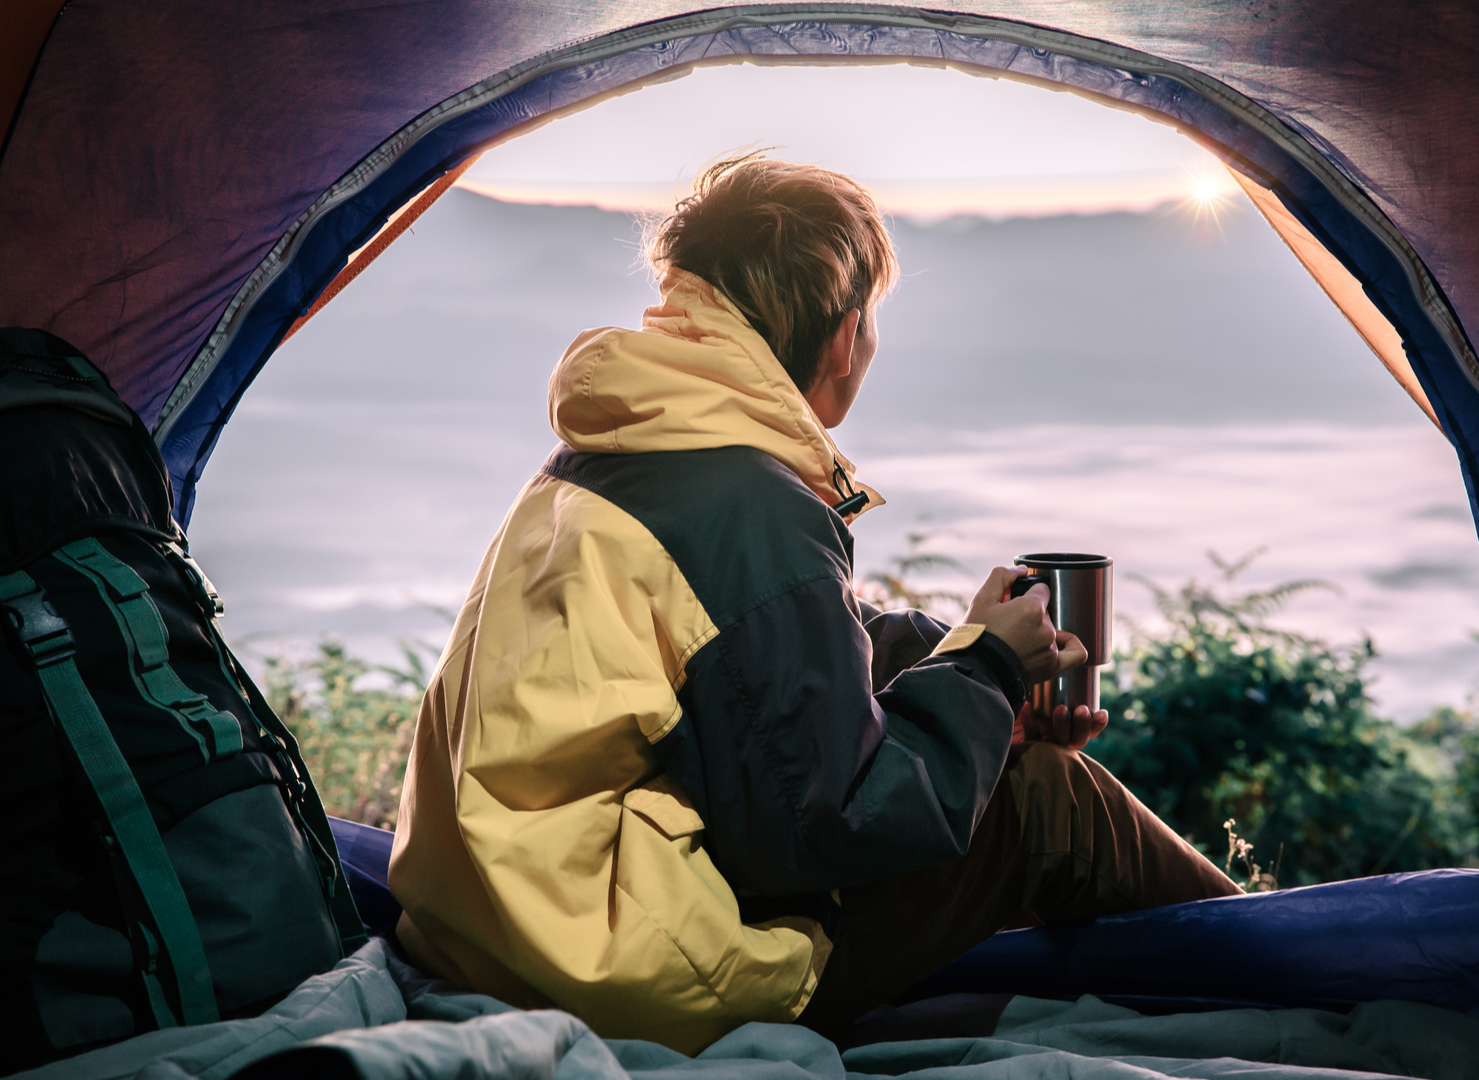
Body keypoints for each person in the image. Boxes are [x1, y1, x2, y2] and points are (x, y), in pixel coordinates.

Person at [387, 152, 1238, 1054]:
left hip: (494, 924)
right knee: (1047, 798)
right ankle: (1299, 961)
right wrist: (989, 670)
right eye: (870, 319)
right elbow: (832, 821)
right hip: (621, 969)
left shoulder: (612, 455)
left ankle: (1221, 964)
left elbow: (753, 672)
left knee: (1009, 769)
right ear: (843, 337)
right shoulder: (752, 506)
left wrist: (967, 664)